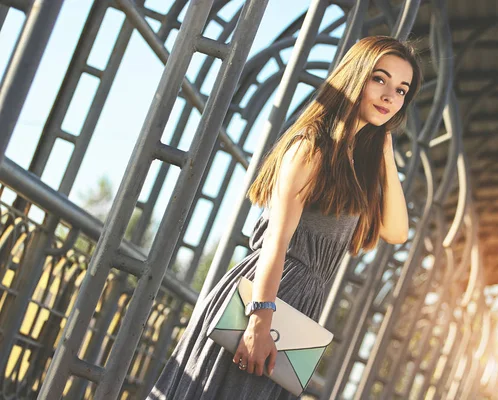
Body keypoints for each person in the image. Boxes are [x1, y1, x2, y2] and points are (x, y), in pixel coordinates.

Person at [148, 35, 422, 400]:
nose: (391, 96)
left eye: (402, 90)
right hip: (268, 302)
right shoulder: (311, 146)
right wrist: (259, 322)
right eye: (380, 79)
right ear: (356, 76)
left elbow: (397, 231)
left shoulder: (357, 167)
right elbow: (276, 242)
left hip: (302, 310)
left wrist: (386, 152)